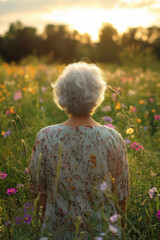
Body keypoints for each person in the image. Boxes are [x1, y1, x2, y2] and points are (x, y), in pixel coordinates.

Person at [29, 62, 129, 239]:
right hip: (103, 233)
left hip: (57, 233)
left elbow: (39, 195)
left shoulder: (45, 136)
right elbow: (121, 198)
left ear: (62, 94)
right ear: (97, 95)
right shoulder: (113, 138)